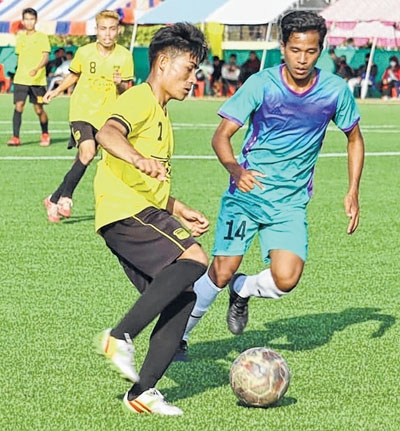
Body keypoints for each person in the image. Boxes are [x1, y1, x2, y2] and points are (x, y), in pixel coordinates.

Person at [176, 10, 365, 361]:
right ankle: (179, 337)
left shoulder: (334, 91)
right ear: (283, 48)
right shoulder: (261, 84)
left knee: (287, 278)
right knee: (221, 269)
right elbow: (221, 136)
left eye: (311, 51)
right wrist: (235, 169)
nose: (302, 59)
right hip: (246, 196)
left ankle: (243, 289)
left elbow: (354, 138)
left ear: (321, 49)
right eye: (295, 50)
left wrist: (353, 189)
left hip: (289, 203)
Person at [94, 22, 209, 415]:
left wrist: (178, 208)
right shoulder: (140, 98)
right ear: (162, 64)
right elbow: (107, 133)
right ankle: (119, 336)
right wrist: (137, 156)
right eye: (189, 69)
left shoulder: (161, 114)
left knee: (183, 296)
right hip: (125, 210)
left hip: (138, 212)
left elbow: (150, 182)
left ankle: (142, 393)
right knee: (195, 257)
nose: (193, 79)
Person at [42, 10, 134, 223]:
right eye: (103, 29)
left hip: (106, 116)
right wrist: (56, 91)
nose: (107, 34)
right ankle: (66, 198)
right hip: (82, 111)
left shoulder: (124, 56)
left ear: (118, 31)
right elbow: (74, 75)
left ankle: (54, 199)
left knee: (82, 159)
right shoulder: (84, 52)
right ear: (96, 30)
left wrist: (119, 83)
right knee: (88, 152)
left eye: (112, 29)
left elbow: (125, 90)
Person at [7, 8, 51, 147]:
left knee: (39, 109)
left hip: (37, 80)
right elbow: (20, 57)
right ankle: (15, 137)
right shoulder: (20, 38)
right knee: (19, 106)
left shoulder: (42, 37)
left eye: (31, 19)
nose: (29, 22)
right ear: (23, 21)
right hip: (21, 79)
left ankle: (45, 133)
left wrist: (36, 69)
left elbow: (46, 57)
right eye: (26, 19)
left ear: (36, 20)